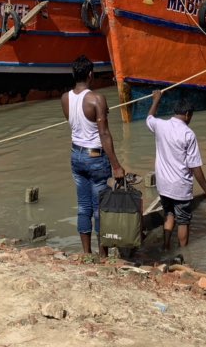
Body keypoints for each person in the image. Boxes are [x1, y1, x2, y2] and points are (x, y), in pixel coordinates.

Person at [61, 55, 125, 258]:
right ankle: (103, 255)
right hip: (95, 157)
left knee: (83, 206)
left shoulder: (65, 98)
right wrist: (116, 165)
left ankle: (86, 252)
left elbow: (76, 123)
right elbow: (104, 134)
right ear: (90, 75)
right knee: (99, 208)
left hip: (76, 155)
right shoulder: (97, 99)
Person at [146, 89, 206, 252]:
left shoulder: (160, 125)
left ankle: (166, 247)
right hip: (180, 187)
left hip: (163, 184)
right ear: (187, 114)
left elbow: (149, 118)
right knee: (183, 220)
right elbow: (194, 165)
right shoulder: (188, 134)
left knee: (169, 214)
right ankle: (184, 253)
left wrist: (156, 100)